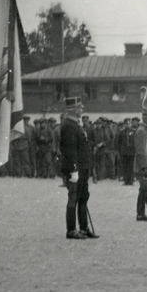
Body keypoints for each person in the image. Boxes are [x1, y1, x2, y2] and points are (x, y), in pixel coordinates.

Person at [59, 96, 97, 239]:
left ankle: (83, 227)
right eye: (79, 107)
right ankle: (71, 229)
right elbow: (70, 150)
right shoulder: (68, 125)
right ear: (73, 109)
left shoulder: (75, 124)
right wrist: (73, 169)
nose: (82, 109)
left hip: (83, 167)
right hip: (75, 169)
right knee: (73, 198)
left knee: (83, 197)